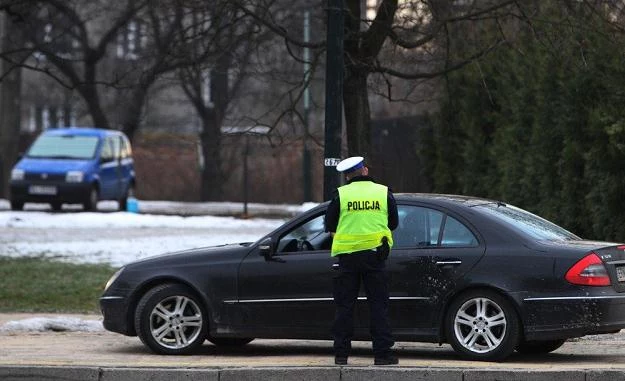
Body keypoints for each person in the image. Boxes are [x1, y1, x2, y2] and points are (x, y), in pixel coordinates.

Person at [324, 156, 399, 366]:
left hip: (347, 259)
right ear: (365, 171)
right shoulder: (383, 193)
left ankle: (341, 355)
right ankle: (383, 355)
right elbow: (393, 222)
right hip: (376, 257)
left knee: (344, 307)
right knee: (378, 307)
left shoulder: (341, 195)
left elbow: (329, 224)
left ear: (348, 176)